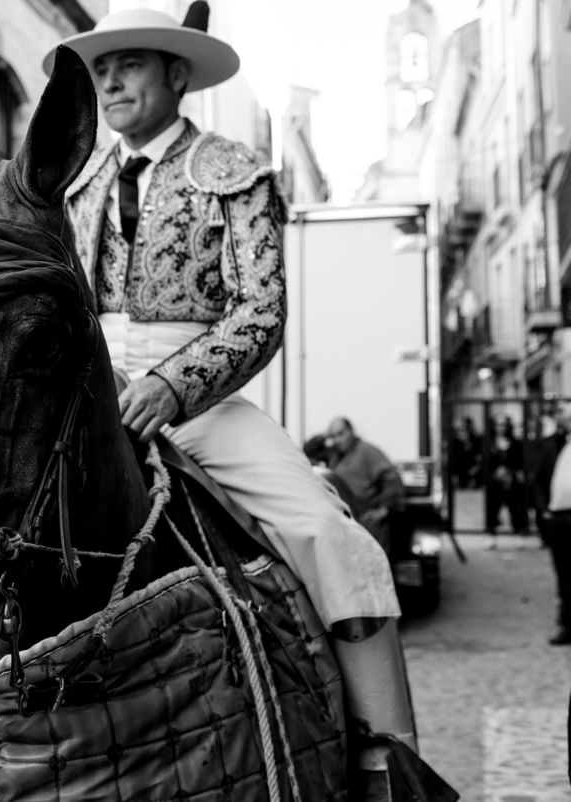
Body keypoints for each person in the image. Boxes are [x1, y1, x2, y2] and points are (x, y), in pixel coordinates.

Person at [50, 3, 415, 756]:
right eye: (103, 67)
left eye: (132, 64)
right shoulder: (78, 184)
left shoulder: (233, 169)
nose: (111, 81)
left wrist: (171, 387)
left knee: (330, 537)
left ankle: (388, 757)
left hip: (200, 403)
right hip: (90, 392)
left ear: (177, 75)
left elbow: (261, 312)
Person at [325, 417, 406, 552]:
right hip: (347, 525)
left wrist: (383, 510)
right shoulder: (335, 456)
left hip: (368, 525)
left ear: (351, 431)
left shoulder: (367, 452)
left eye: (341, 434)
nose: (338, 440)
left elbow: (393, 480)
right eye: (333, 436)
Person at [534, 406, 571, 645]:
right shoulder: (554, 445)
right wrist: (544, 511)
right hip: (558, 518)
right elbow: (539, 479)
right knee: (565, 573)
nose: (563, 416)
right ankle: (567, 623)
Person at [486, 413, 527, 540]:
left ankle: (518, 532)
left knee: (515, 507)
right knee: (493, 508)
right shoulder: (489, 443)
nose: (501, 428)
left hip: (511, 480)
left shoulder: (515, 443)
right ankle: (491, 535)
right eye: (498, 424)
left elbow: (519, 462)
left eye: (503, 424)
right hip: (494, 481)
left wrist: (511, 472)